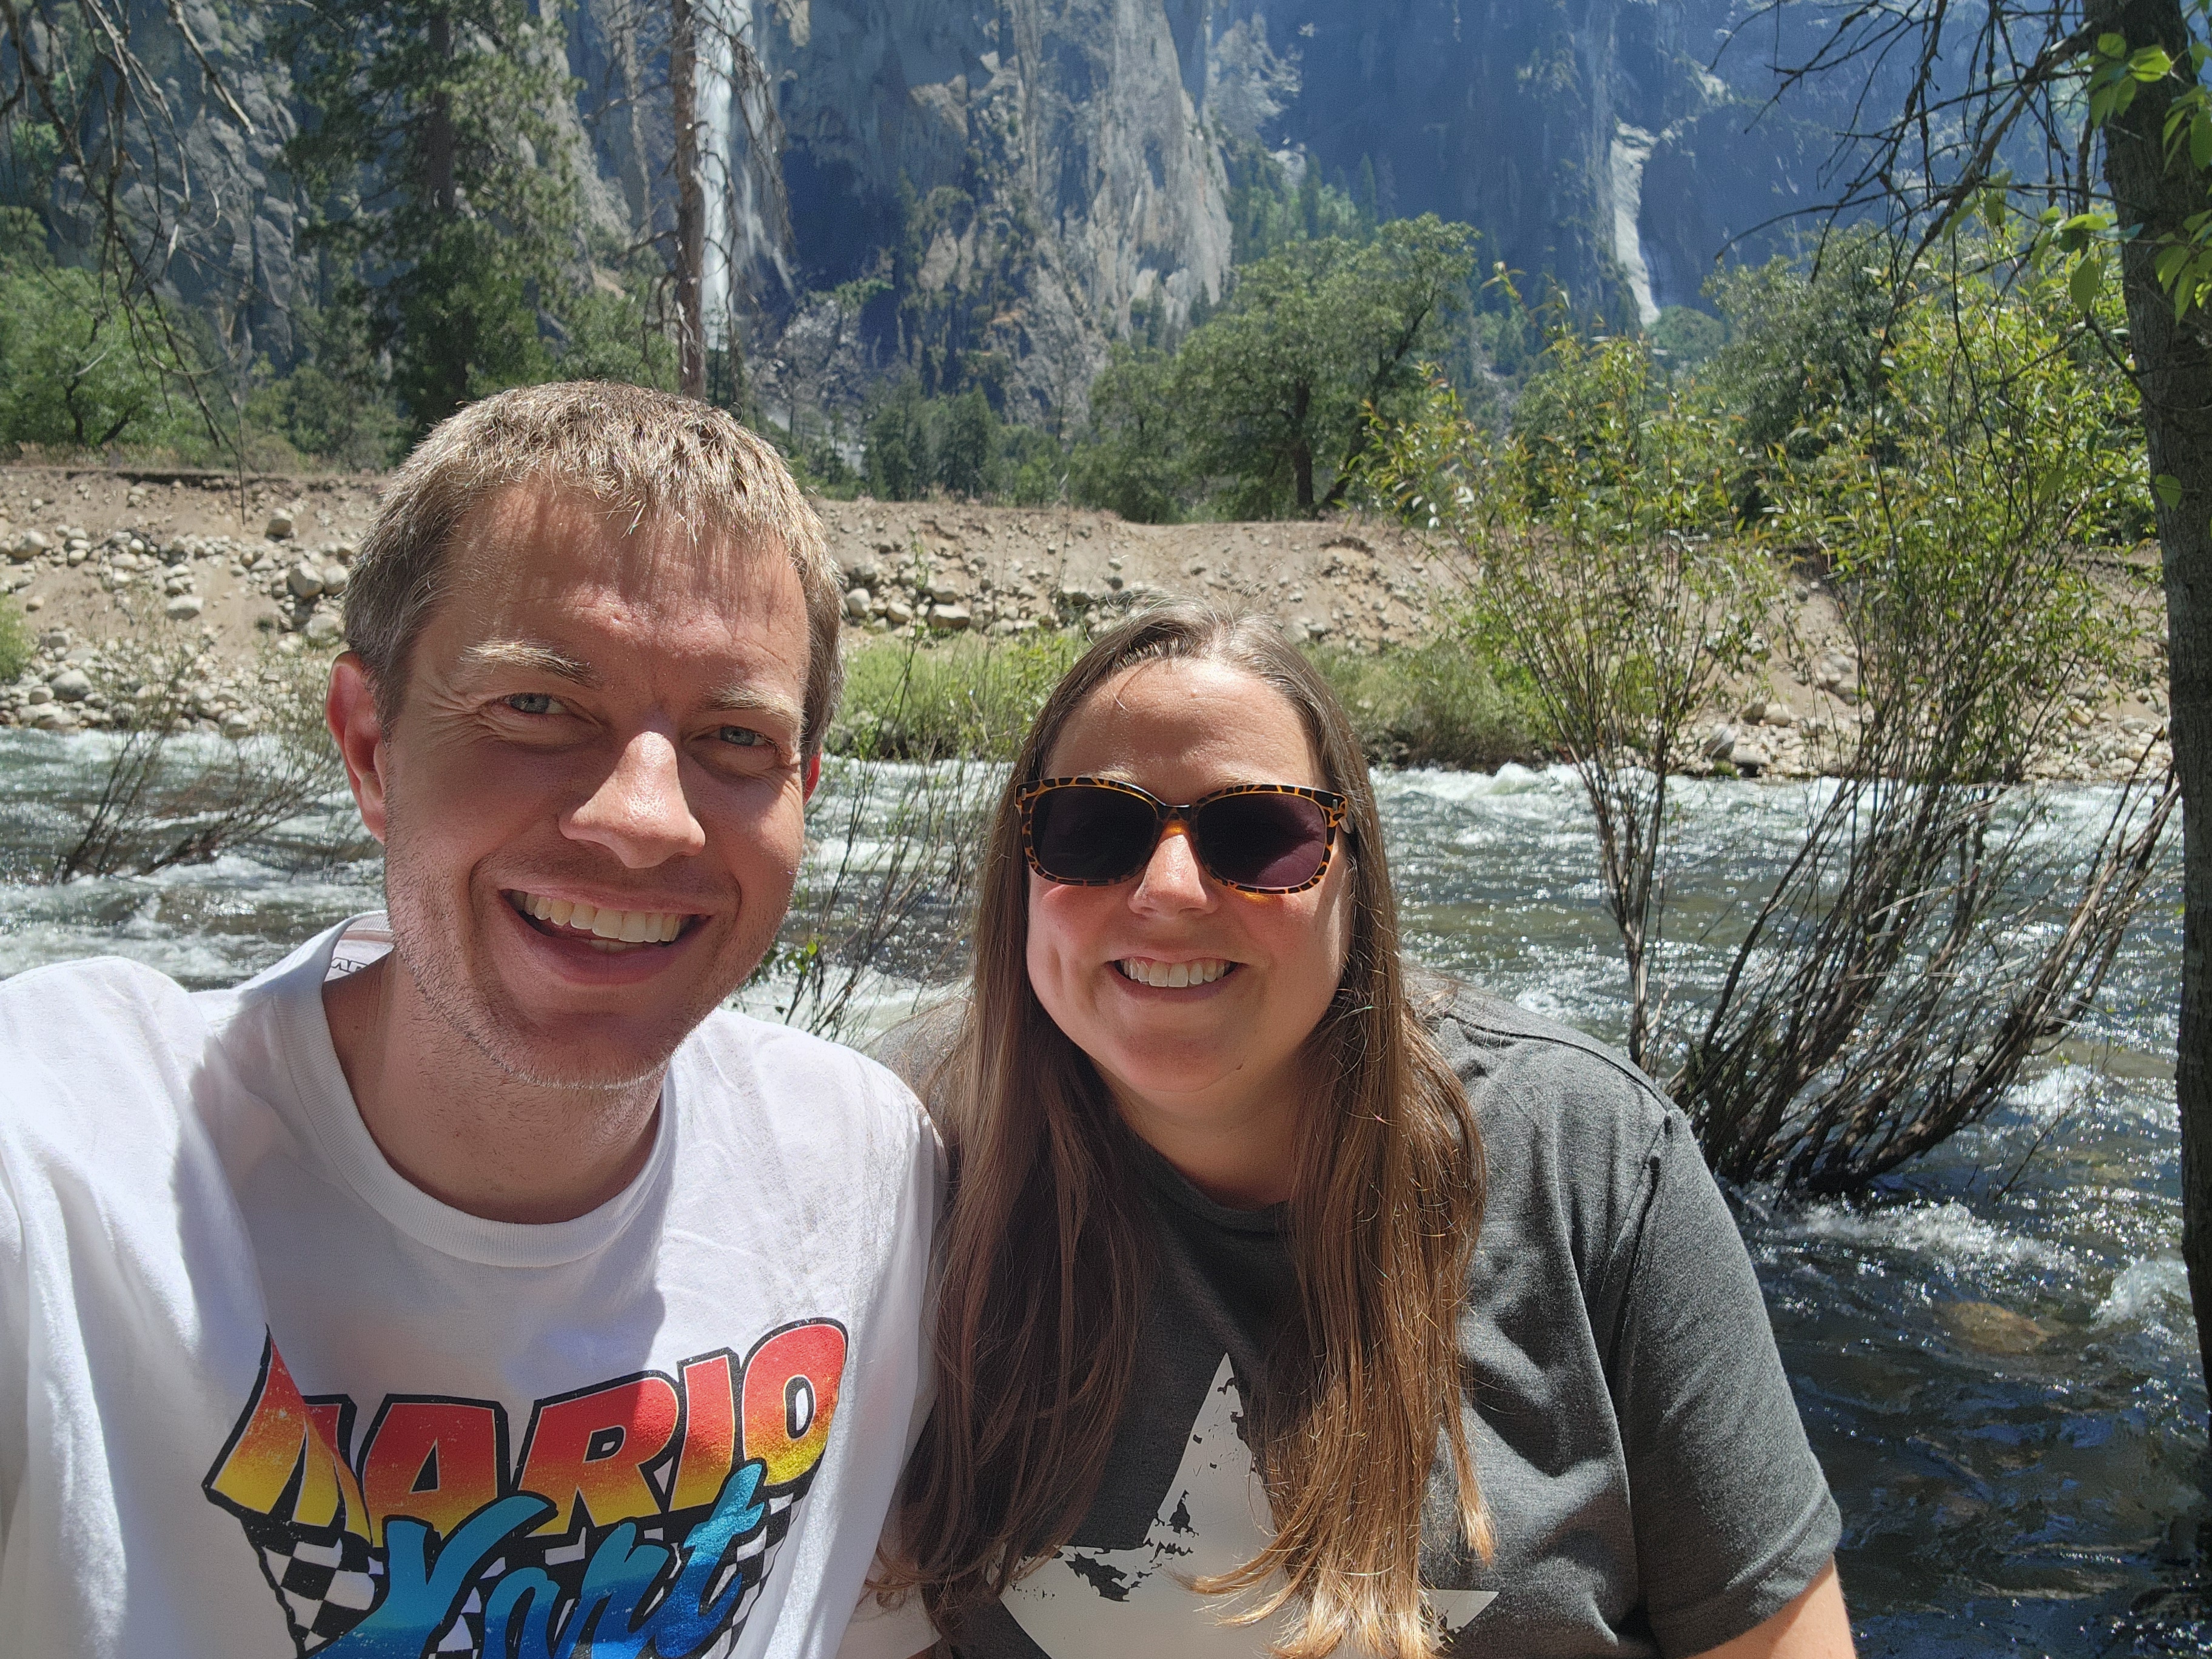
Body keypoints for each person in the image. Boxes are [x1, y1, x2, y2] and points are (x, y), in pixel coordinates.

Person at [0, 383, 939, 1659]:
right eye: (538, 707)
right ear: (370, 746)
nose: (643, 818)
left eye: (734, 738)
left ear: (805, 794)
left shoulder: (868, 1168)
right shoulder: (67, 1157)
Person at [846, 603, 1854, 1659]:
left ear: (1353, 876)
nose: (1169, 890)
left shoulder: (1593, 1157)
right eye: (1092, 830)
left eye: (1257, 835)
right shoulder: (901, 1145)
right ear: (1023, 868)